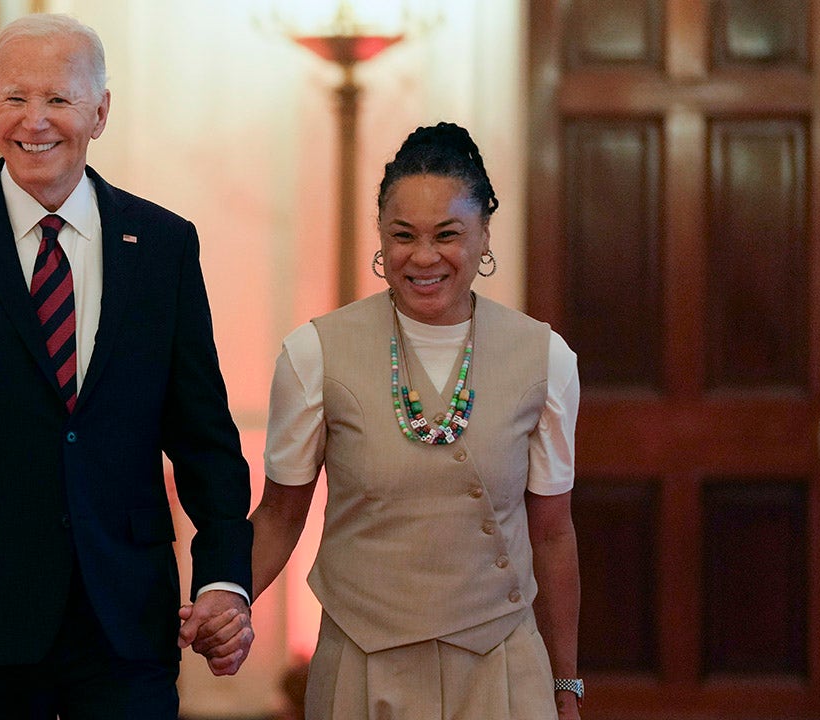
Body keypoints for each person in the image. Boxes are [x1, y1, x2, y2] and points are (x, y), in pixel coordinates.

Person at [0, 14, 253, 719]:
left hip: (123, 621)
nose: (35, 121)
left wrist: (223, 581)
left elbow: (206, 439)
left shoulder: (162, 246)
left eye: (58, 99)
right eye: (15, 99)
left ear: (100, 111)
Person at [248, 122, 582, 719]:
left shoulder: (545, 356)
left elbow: (553, 532)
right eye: (403, 235)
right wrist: (222, 596)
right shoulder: (314, 353)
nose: (423, 257)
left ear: (483, 235)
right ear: (381, 236)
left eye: (447, 235)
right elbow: (279, 515)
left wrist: (566, 687)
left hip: (502, 667)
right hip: (362, 665)